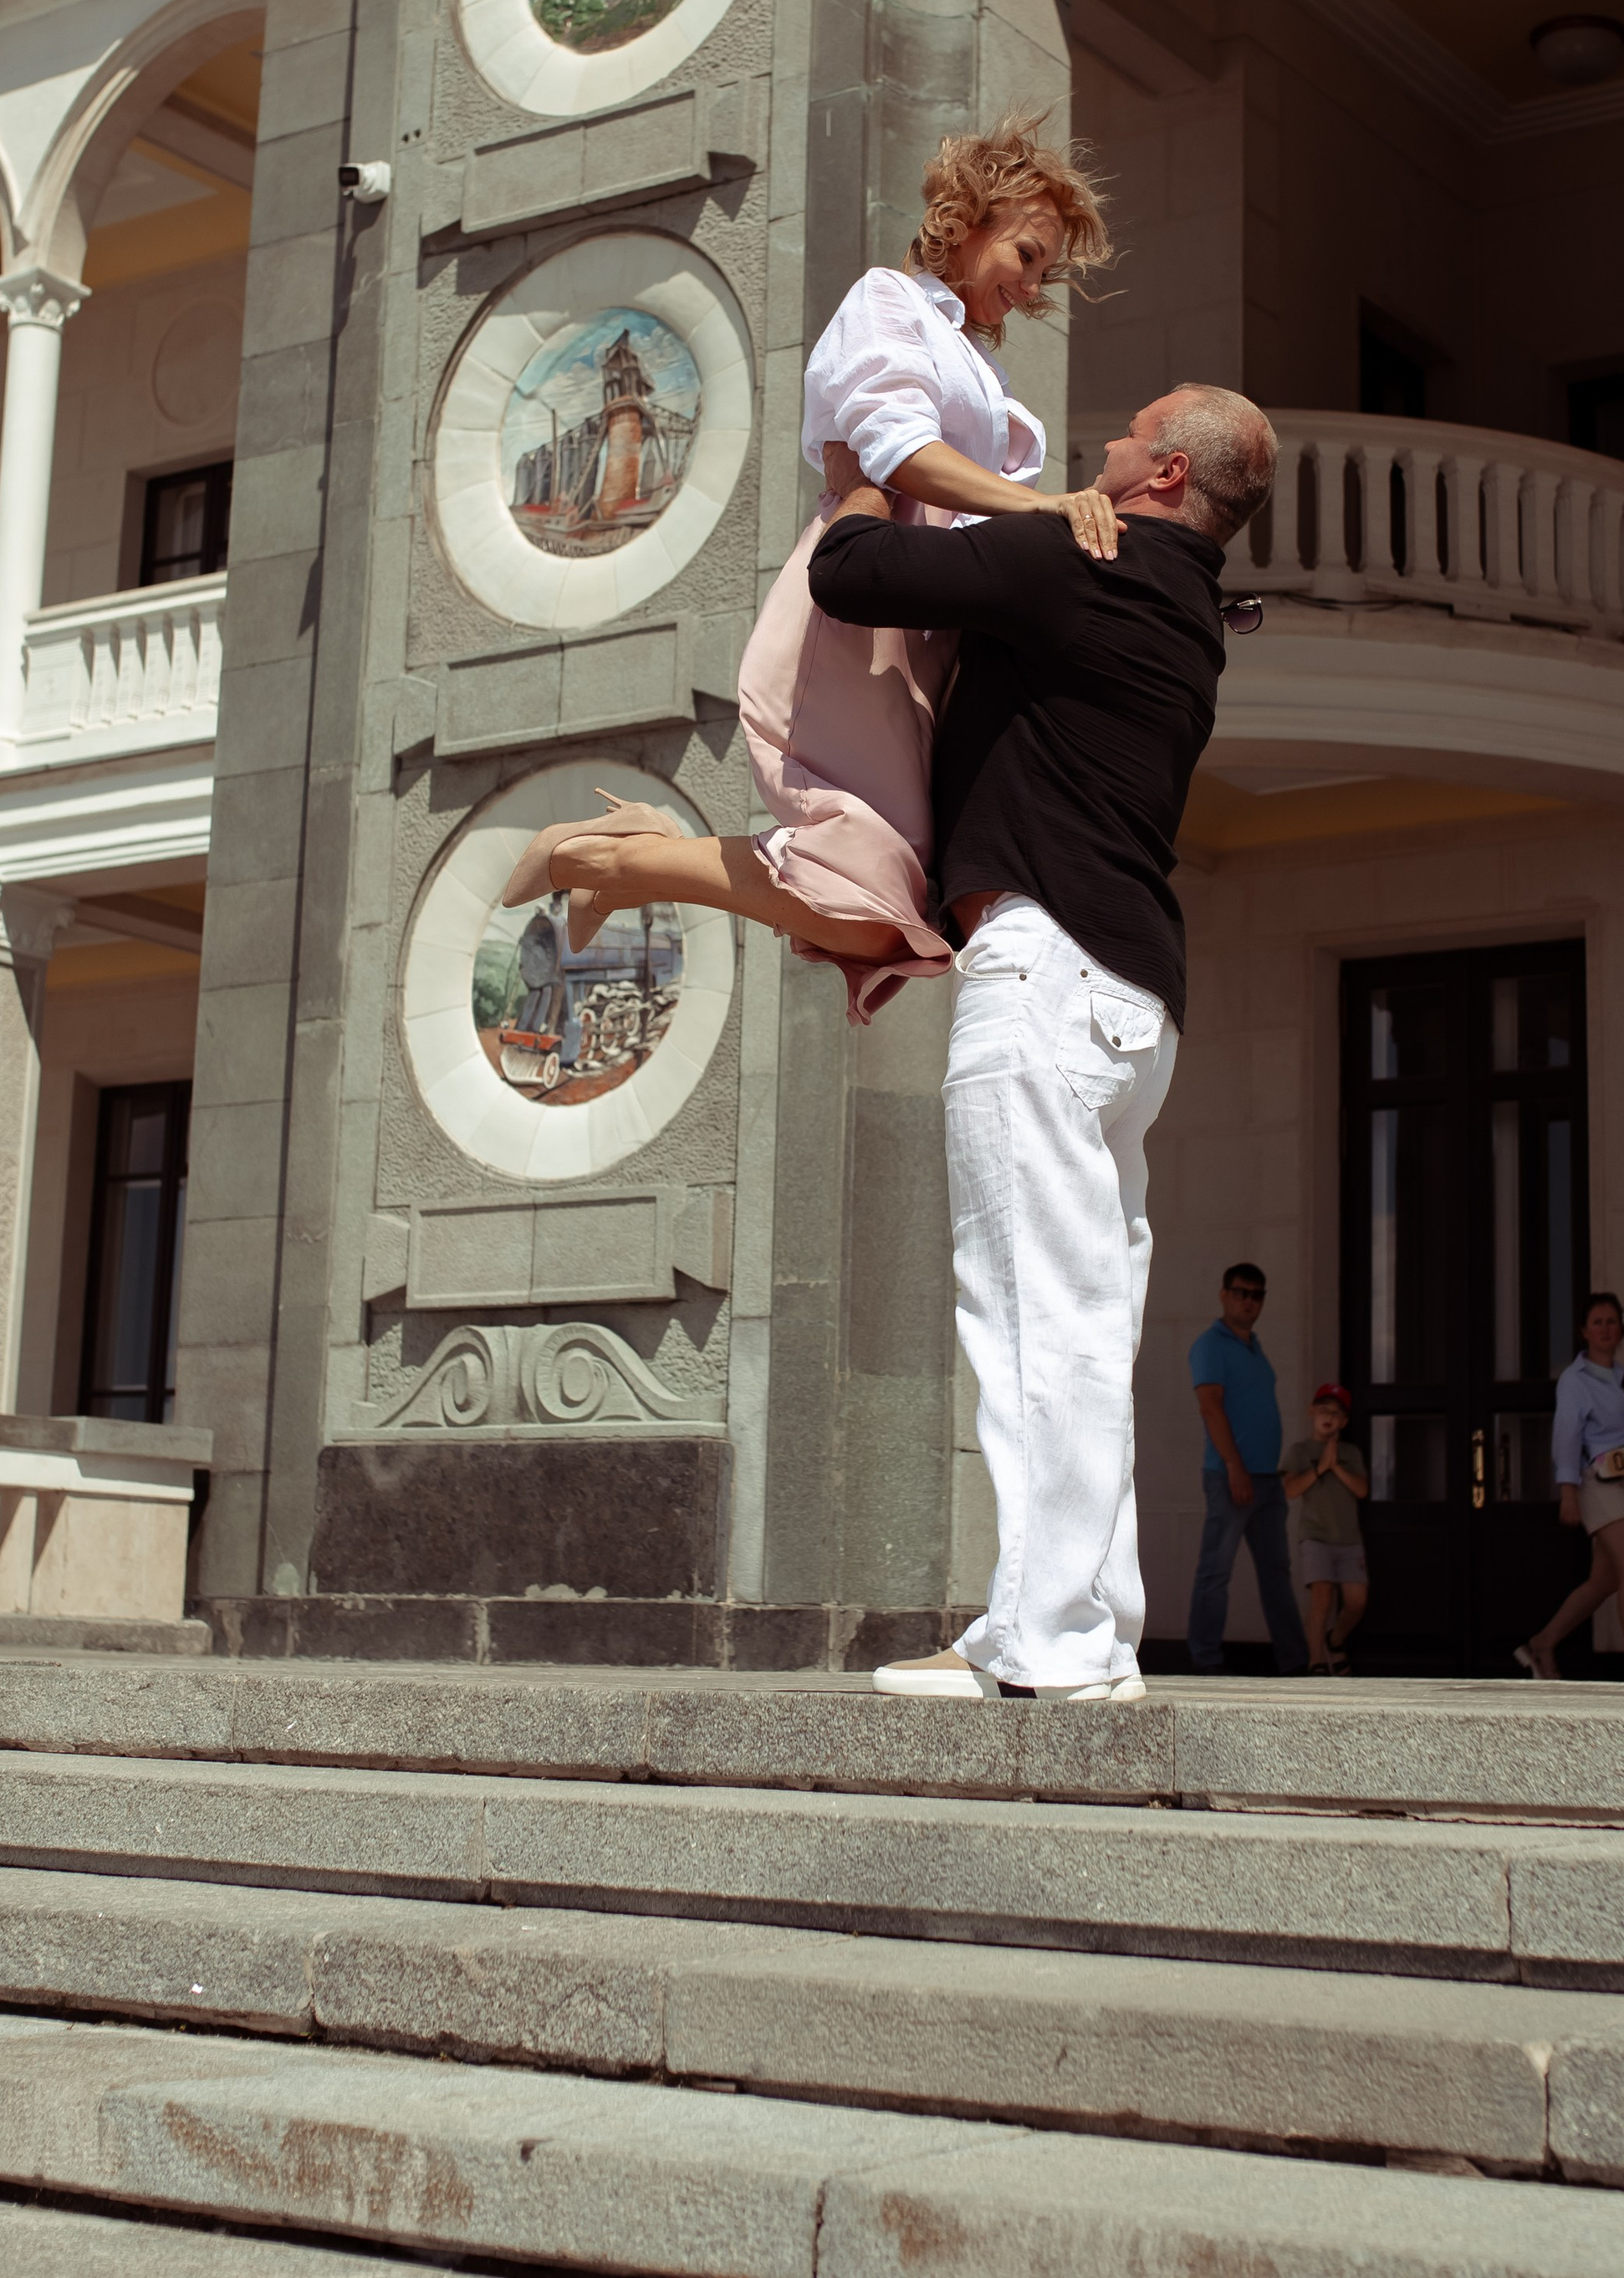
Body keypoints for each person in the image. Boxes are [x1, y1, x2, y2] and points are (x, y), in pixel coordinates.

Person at [794, 382, 1279, 1698]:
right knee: (1083, 1319)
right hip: (1129, 1003)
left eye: (1128, 435)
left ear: (1165, 474)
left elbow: (856, 571)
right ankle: (1092, 1632)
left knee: (1029, 1315)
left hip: (1049, 974)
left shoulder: (1083, 550)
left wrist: (853, 461)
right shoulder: (1184, 606)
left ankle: (1045, 1641)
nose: (1100, 451)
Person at [500, 116, 1113, 1009]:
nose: (1029, 286)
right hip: (869, 606)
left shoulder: (971, 359)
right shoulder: (888, 303)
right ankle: (604, 855)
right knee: (873, 893)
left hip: (932, 623)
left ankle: (628, 856)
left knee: (899, 896)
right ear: (973, 215)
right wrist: (1049, 506)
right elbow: (897, 452)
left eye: (1042, 270)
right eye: (1024, 253)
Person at [1517, 1292, 1624, 1685]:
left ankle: (1542, 1643)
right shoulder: (1576, 1381)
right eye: (1598, 1322)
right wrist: (1568, 1490)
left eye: (1612, 1321)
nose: (1606, 1329)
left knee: (1605, 1581)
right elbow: (1567, 1436)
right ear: (1584, 1331)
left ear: (1621, 1328)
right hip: (1599, 1484)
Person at [1186, 1264, 1306, 1673]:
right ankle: (1205, 1662)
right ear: (1224, 1294)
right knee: (1215, 1572)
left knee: (1277, 1573)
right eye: (1241, 1292)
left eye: (1257, 1294)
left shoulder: (1255, 1346)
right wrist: (1234, 1466)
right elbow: (1210, 1407)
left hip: (1267, 1478)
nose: (1249, 1301)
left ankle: (1295, 1663)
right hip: (1230, 1476)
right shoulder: (1211, 1345)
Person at [1282, 1383, 1370, 1674]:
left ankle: (1336, 1639)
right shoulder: (1300, 1451)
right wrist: (1320, 1467)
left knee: (1357, 1601)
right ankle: (1316, 1661)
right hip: (1315, 1536)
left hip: (1348, 1538)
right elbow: (1291, 1490)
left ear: (1344, 1421)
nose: (1328, 1417)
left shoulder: (1350, 1452)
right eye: (1322, 1410)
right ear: (1312, 1412)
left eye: (1335, 1412)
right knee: (1321, 1596)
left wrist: (1335, 1465)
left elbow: (1361, 1489)